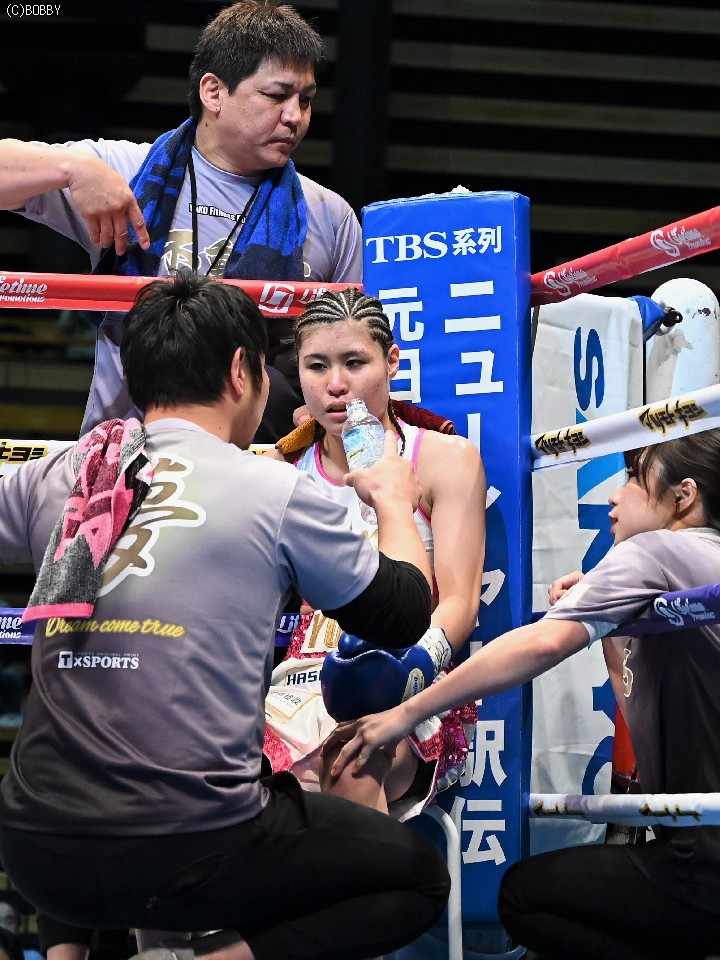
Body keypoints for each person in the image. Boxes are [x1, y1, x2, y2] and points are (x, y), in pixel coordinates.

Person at [0, 271, 451, 960]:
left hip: (35, 851)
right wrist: (393, 498)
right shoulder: (271, 487)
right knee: (414, 878)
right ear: (244, 371)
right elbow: (404, 613)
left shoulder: (66, 473)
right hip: (191, 845)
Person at [324, 429, 720, 960]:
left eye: (633, 477)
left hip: (703, 860)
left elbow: (542, 642)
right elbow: (646, 715)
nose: (615, 493)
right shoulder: (702, 561)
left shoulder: (658, 550)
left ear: (683, 496)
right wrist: (612, 623)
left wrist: (402, 714)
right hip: (698, 841)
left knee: (523, 899)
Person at [0, 0, 362, 442]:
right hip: (126, 458)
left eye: (305, 100)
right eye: (276, 95)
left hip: (264, 459)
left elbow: (358, 347)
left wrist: (327, 403)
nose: (295, 117)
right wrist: (72, 168)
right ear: (213, 92)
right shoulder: (126, 174)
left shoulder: (329, 216)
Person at [264, 287, 486, 818]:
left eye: (354, 362)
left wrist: (407, 672)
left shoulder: (443, 459)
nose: (336, 384)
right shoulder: (279, 472)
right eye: (317, 366)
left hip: (414, 688)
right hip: (295, 682)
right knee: (214, 757)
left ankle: (367, 873)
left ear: (391, 361)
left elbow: (460, 603)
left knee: (350, 758)